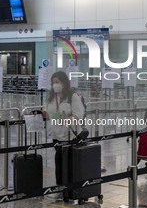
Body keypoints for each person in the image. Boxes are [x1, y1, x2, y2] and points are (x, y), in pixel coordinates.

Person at [43, 71, 85, 199]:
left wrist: (66, 119)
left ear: (64, 83)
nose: (55, 85)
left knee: (69, 164)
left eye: (57, 82)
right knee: (59, 163)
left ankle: (71, 189)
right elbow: (50, 112)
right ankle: (60, 188)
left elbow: (78, 114)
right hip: (57, 135)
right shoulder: (51, 97)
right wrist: (42, 114)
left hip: (70, 135)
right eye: (53, 82)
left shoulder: (72, 96)